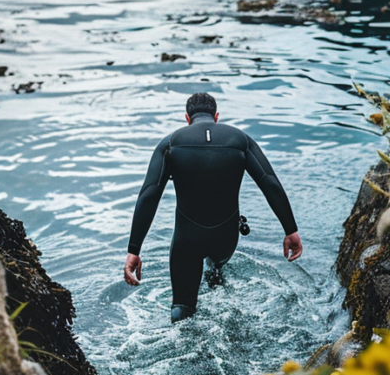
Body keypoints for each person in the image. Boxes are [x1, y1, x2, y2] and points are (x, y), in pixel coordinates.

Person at [123, 93, 303, 322]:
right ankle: (216, 277)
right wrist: (290, 230)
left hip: (186, 240)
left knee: (182, 308)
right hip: (225, 238)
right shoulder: (240, 140)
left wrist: (134, 249)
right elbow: (270, 183)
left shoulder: (170, 143)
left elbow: (149, 195)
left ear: (187, 118)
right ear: (216, 117)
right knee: (216, 270)